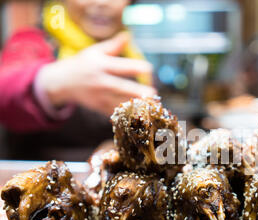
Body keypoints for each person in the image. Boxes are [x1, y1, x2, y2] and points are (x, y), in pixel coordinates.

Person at [0, 0, 156, 160]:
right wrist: (56, 80)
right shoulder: (32, 42)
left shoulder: (131, 53)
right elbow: (5, 90)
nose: (102, 3)